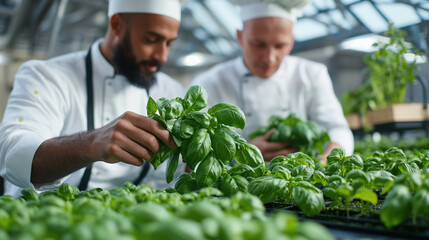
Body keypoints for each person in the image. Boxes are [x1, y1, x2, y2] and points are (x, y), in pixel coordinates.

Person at [0, 0, 188, 197]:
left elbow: (167, 179)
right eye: (150, 39)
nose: (162, 56)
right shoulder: (46, 76)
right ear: (117, 25)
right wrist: (90, 144)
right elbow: (10, 153)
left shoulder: (170, 91)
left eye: (169, 43)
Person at [191, 0, 354, 162]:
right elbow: (195, 154)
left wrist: (324, 161)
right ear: (240, 37)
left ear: (291, 43)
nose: (269, 58)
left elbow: (338, 130)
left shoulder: (312, 74)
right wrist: (241, 154)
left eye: (280, 46)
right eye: (258, 45)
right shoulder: (210, 84)